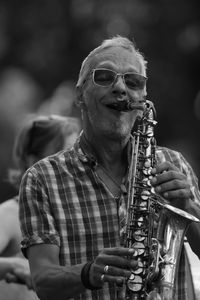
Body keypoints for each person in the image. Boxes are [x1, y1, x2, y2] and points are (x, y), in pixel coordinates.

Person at [19, 36, 200, 300]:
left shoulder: (174, 164)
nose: (120, 88)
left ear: (142, 98)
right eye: (104, 77)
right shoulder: (42, 178)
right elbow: (44, 281)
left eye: (133, 81)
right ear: (80, 95)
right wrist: (89, 273)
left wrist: (189, 207)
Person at [0, 114, 80, 299]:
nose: (75, 165)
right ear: (32, 161)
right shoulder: (11, 214)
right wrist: (15, 265)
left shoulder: (74, 217)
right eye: (63, 155)